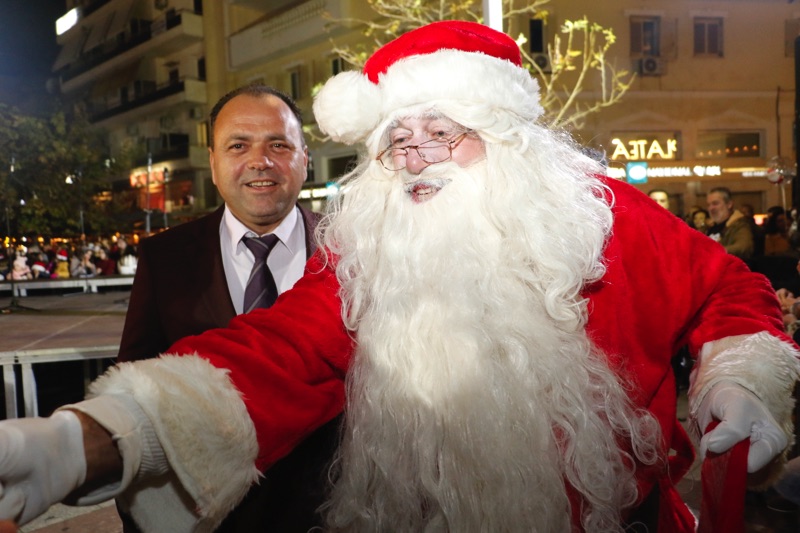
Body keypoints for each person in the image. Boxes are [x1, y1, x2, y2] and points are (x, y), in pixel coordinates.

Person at [0, 20, 799, 533]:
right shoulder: (371, 255)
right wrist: (96, 438)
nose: (414, 158)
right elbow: (272, 353)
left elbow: (728, 288)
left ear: (500, 134)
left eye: (440, 132)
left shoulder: (602, 217)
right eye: (396, 140)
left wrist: (740, 380)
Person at [115, 83, 333, 532]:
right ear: (213, 163)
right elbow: (135, 390)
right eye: (238, 145)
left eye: (279, 145)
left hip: (332, 513)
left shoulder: (352, 250)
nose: (260, 161)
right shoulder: (165, 258)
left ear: (305, 159)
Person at [706, 186, 755, 259]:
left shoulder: (740, 225)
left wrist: (715, 252)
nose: (711, 208)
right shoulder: (708, 228)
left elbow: (744, 247)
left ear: (729, 204)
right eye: (708, 205)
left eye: (715, 203)